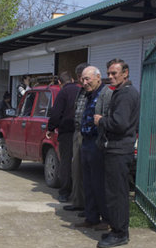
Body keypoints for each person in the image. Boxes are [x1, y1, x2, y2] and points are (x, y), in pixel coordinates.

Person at [95, 59, 140, 248]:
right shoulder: (121, 92)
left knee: (117, 193)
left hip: (119, 150)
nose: (111, 77)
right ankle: (116, 229)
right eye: (109, 73)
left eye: (114, 73)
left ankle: (120, 233)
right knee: (113, 192)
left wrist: (101, 121)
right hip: (115, 148)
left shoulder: (126, 94)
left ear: (125, 73)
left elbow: (120, 123)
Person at [76, 66, 109, 230]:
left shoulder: (105, 93)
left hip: (97, 142)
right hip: (87, 141)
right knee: (87, 182)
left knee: (99, 183)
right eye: (83, 79)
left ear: (97, 77)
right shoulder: (88, 95)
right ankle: (91, 217)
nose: (84, 82)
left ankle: (106, 219)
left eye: (87, 79)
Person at [45, 71, 80, 202]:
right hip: (81, 132)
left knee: (65, 162)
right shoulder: (81, 90)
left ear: (59, 82)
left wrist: (50, 128)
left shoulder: (63, 93)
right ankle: (78, 193)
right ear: (72, 79)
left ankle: (65, 192)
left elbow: (55, 114)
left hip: (66, 132)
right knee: (78, 163)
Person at [63, 63, 88, 213]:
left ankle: (87, 206)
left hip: (88, 134)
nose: (82, 81)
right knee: (76, 170)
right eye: (80, 77)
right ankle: (78, 201)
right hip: (77, 132)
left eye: (84, 78)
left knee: (86, 172)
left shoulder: (98, 93)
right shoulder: (81, 92)